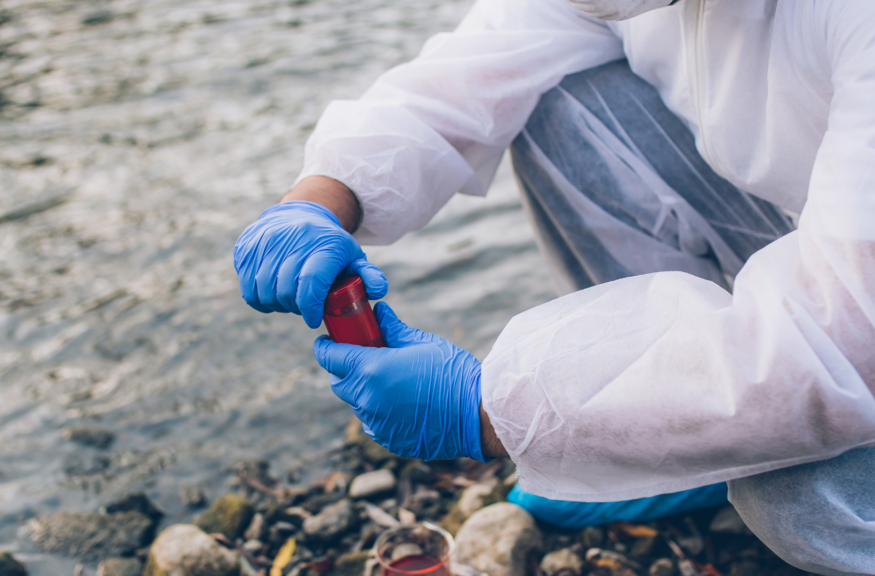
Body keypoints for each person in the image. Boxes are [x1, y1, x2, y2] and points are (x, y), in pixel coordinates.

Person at [233, 0, 875, 572]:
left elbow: (845, 335)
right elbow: (481, 64)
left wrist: (490, 410)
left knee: (803, 497)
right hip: (813, 220)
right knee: (560, 98)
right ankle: (658, 435)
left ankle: (669, 431)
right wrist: (320, 199)